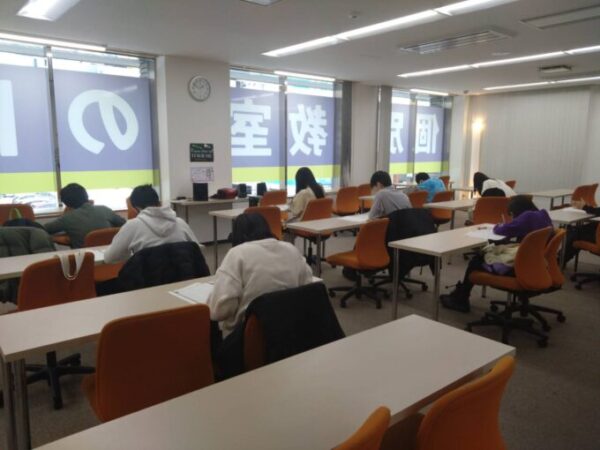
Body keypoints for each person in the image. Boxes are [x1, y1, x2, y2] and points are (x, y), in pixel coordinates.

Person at [440, 195, 553, 313]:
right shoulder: (543, 215)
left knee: (476, 260)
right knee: (491, 252)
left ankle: (461, 299)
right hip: (538, 265)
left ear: (517, 210)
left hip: (519, 267)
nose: (513, 218)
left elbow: (501, 230)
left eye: (512, 214)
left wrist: (500, 225)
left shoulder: (527, 216)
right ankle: (460, 296)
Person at [207, 213, 313, 336]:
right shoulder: (291, 249)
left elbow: (219, 311)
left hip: (248, 337)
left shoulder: (237, 254)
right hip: (290, 331)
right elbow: (308, 287)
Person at [104, 185, 198, 264]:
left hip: (147, 280)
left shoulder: (132, 226)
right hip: (184, 277)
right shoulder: (180, 223)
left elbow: (109, 258)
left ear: (135, 208)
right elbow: (198, 250)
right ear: (158, 203)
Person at [44, 183, 125, 248]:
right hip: (110, 257)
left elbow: (43, 229)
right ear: (86, 196)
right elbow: (124, 224)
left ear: (66, 204)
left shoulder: (67, 218)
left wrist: (53, 238)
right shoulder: (104, 209)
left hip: (84, 259)